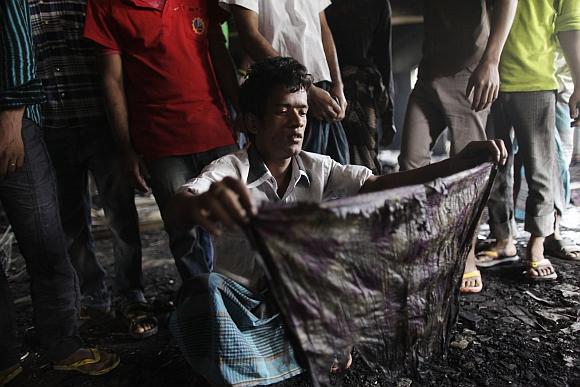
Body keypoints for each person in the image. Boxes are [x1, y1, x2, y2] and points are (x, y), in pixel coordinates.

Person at [168, 57, 507, 386]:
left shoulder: (319, 168)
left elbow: (376, 185)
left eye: (302, 111)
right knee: (204, 292)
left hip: (296, 302)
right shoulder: (231, 169)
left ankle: (270, 360)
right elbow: (184, 201)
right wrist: (204, 204)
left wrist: (456, 164)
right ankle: (286, 354)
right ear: (252, 122)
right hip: (243, 304)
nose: (297, 121)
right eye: (283, 110)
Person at [0, 2, 119, 383]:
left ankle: (64, 343)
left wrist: (10, 122)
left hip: (14, 126)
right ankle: (4, 357)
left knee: (45, 239)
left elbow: (18, 47)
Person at [83, 0, 240, 281]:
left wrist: (242, 109)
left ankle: (242, 307)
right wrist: (127, 149)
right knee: (185, 237)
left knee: (233, 228)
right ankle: (203, 309)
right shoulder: (106, 6)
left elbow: (218, 50)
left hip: (216, 131)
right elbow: (112, 81)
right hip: (161, 143)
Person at [27, 0, 154, 338]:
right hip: (53, 127)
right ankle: (93, 295)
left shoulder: (90, 2)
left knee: (121, 216)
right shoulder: (21, 7)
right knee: (70, 220)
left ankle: (131, 294)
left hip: (102, 123)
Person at [396, 0, 518, 293]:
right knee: (410, 162)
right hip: (428, 75)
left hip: (468, 74)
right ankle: (419, 249)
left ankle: (467, 255)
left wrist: (491, 61)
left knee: (469, 173)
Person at [482, 0, 580, 277]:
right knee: (495, 168)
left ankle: (537, 242)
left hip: (535, 80)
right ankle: (503, 239)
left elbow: (570, 26)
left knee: (540, 169)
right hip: (489, 78)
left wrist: (579, 83)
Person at [221, 0, 350, 165]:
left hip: (322, 91)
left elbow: (324, 29)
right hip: (281, 93)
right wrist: (306, 89)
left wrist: (338, 85)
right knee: (294, 179)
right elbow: (249, 35)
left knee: (336, 178)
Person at [325, 0, 397, 174]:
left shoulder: (378, 4)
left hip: (361, 89)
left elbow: (383, 58)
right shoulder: (325, 3)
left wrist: (389, 114)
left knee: (363, 161)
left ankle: (367, 199)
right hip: (326, 87)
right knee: (329, 161)